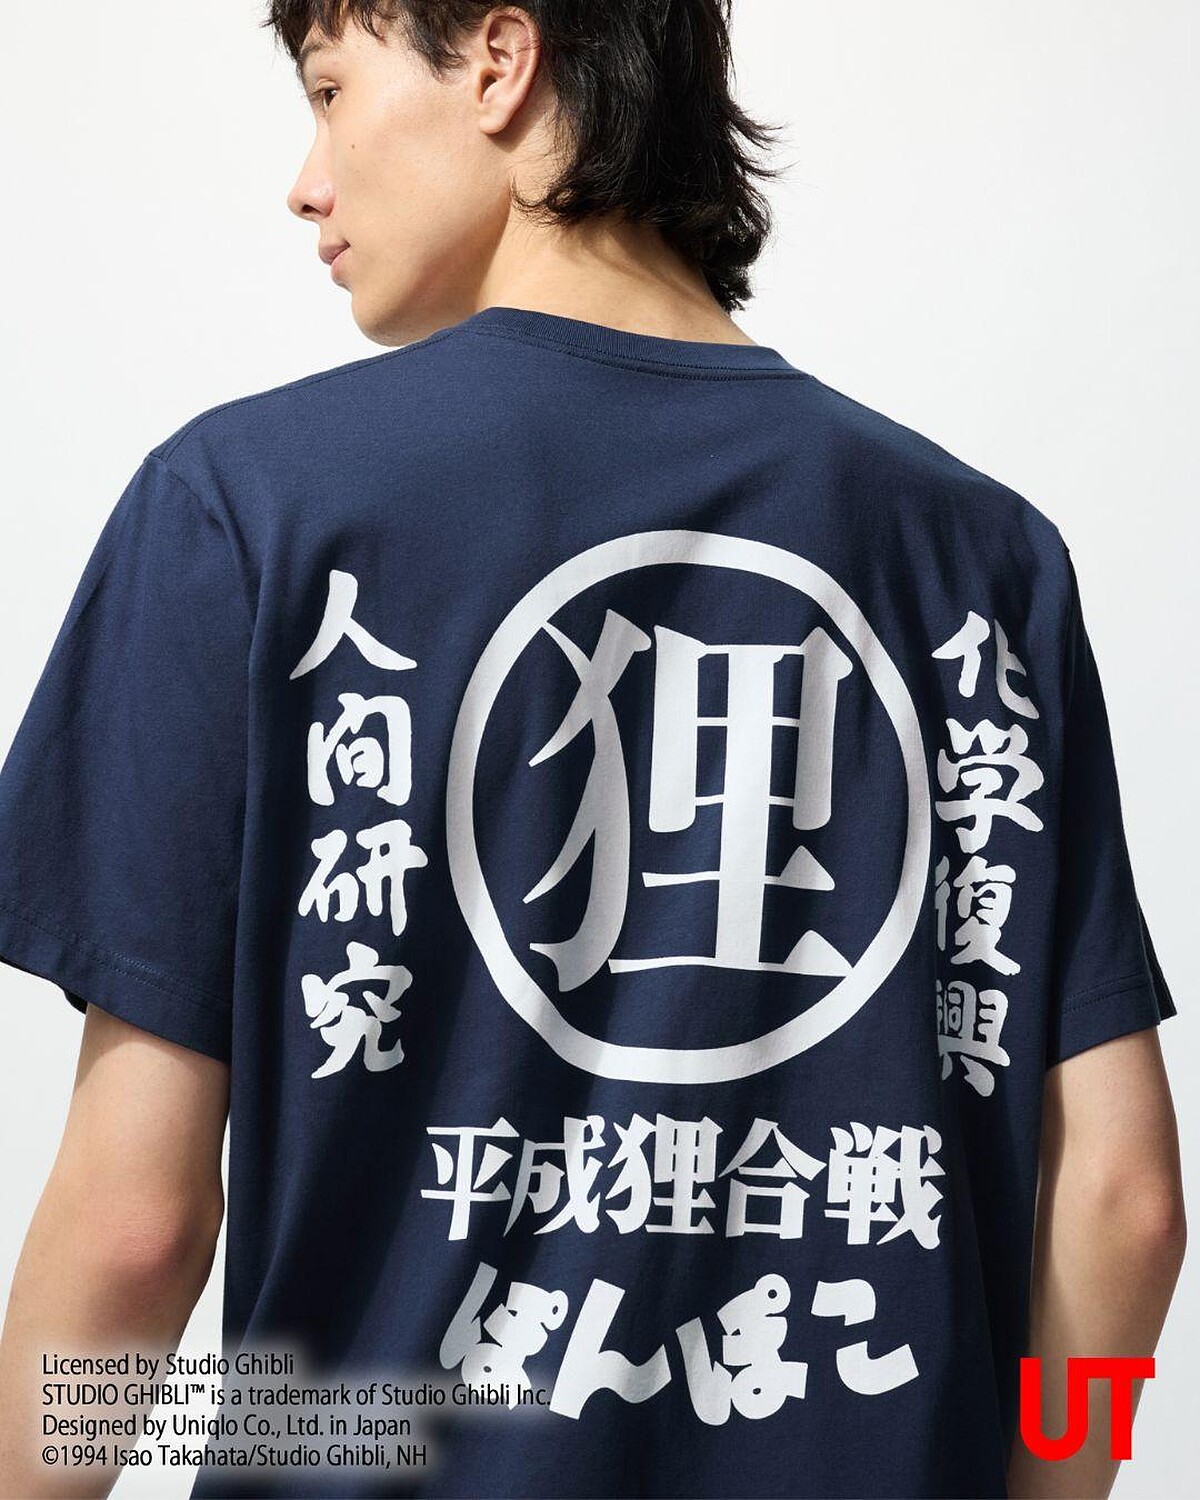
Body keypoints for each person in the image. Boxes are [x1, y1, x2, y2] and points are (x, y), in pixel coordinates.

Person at [0, 3, 1185, 1497]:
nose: (306, 182)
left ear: (501, 62)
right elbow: (1129, 1208)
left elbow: (137, 1228)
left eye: (330, 91)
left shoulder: (249, 510)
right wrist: (1057, 1484)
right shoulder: (983, 559)